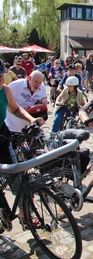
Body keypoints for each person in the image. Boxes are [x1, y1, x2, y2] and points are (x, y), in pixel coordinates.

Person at [0, 59, 45, 226]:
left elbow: (15, 109)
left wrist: (31, 119)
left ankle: (24, 216)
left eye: (1, 77)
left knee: (17, 179)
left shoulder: (5, 90)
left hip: (3, 136)